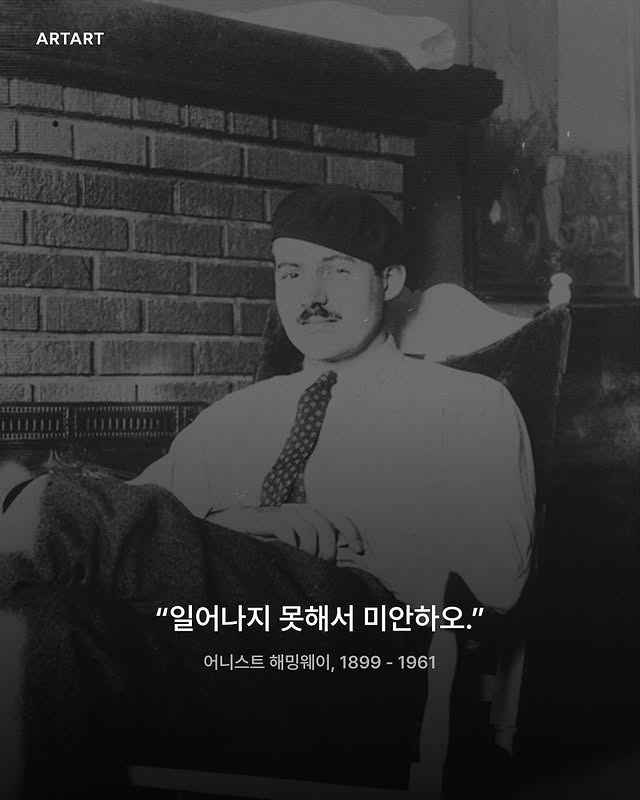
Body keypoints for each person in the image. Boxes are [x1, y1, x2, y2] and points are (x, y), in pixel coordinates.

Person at [0, 185, 534, 799]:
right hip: (212, 674)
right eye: (291, 273)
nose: (310, 297)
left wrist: (346, 534)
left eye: (337, 270)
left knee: (59, 510)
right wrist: (244, 524)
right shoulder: (236, 415)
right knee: (39, 626)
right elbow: (135, 531)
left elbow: (501, 580)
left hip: (365, 659)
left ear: (389, 281)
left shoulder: (467, 403)